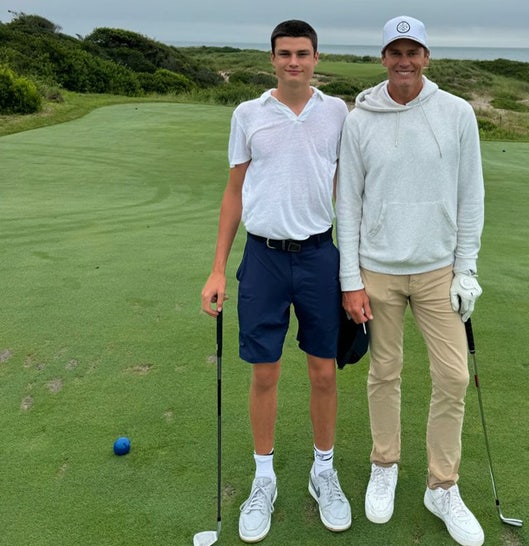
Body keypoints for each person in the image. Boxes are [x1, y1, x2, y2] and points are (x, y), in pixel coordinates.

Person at [335, 15, 486, 546]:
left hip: (437, 270)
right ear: (383, 59)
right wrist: (350, 279)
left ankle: (441, 486)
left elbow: (472, 196)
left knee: (453, 377)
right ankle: (385, 464)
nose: (404, 60)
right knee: (384, 373)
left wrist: (466, 269)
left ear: (426, 57)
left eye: (413, 51)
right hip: (377, 270)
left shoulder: (457, 113)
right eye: (394, 51)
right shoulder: (360, 118)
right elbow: (348, 203)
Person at [200, 19, 351, 542]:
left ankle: (323, 471)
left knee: (324, 372)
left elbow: (346, 194)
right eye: (284, 53)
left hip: (318, 257)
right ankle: (263, 479)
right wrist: (219, 268)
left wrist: (351, 273)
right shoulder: (248, 114)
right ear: (272, 59)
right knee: (264, 373)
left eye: (303, 53)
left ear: (316, 58)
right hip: (262, 259)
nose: (294, 62)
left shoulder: (337, 113)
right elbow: (233, 192)